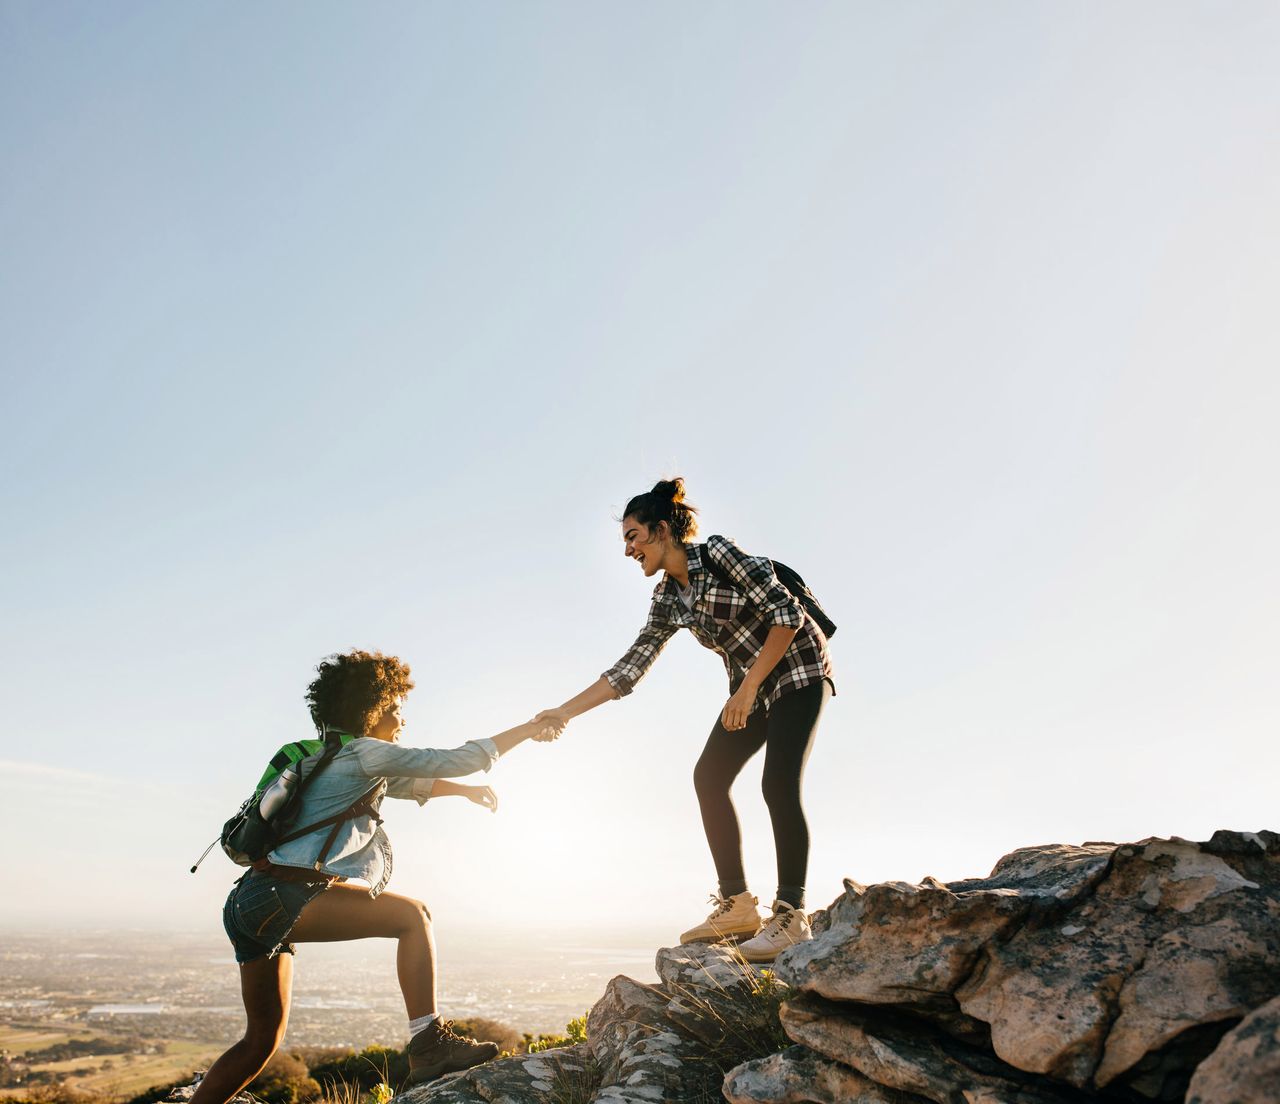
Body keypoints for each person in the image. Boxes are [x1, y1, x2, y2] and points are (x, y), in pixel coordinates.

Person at [191, 649, 560, 1104]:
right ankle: (428, 1044)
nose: (402, 720)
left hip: (248, 904)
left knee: (260, 1042)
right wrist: (528, 728)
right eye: (396, 708)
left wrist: (463, 792)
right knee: (413, 916)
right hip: (285, 896)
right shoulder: (366, 754)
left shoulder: (326, 759)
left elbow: (411, 784)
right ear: (374, 707)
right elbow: (457, 758)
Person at [535, 478, 834, 962]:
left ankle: (790, 915)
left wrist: (748, 687)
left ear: (661, 530)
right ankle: (737, 905)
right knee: (709, 776)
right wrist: (563, 712)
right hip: (751, 690)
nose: (628, 549)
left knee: (777, 784)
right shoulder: (668, 600)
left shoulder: (718, 553)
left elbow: (787, 614)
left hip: (798, 669)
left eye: (632, 536)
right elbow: (628, 670)